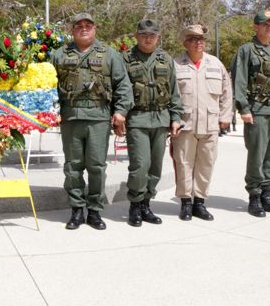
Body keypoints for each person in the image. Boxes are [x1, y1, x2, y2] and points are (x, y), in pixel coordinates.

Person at [50, 13, 133, 230]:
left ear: (94, 29)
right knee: (73, 167)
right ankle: (76, 210)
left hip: (98, 118)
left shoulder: (109, 54)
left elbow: (123, 84)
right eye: (79, 26)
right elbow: (49, 87)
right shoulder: (59, 55)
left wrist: (121, 111)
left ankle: (94, 210)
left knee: (96, 166)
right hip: (71, 118)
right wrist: (51, 111)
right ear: (72, 30)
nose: (84, 29)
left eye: (88, 25)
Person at [231, 10, 270, 217]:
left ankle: (267, 194)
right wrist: (243, 108)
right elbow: (239, 80)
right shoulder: (246, 50)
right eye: (264, 24)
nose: (269, 27)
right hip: (257, 110)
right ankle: (255, 197)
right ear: (255, 26)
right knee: (257, 155)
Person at [122, 19, 184, 227]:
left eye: (152, 35)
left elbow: (174, 91)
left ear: (158, 37)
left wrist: (176, 117)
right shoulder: (125, 59)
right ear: (136, 36)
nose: (148, 39)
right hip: (137, 118)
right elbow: (119, 91)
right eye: (144, 35)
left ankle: (146, 204)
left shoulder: (165, 59)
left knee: (155, 166)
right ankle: (135, 204)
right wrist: (119, 115)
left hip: (160, 118)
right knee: (140, 165)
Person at [172, 24, 233, 221]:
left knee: (206, 164)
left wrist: (225, 116)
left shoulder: (216, 64)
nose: (198, 43)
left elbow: (226, 92)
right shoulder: (176, 64)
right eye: (192, 39)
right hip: (185, 125)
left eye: (201, 40)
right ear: (185, 43)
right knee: (184, 164)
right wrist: (173, 119)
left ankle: (199, 202)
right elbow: (170, 95)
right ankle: (186, 203)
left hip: (210, 124)